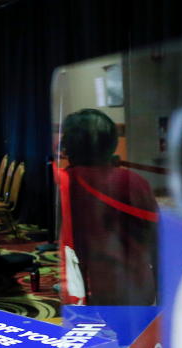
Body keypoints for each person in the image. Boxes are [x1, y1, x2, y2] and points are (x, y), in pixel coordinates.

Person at [57, 108, 159, 306]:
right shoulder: (134, 181)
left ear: (70, 145)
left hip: (85, 287)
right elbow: (156, 237)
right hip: (137, 286)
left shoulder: (66, 181)